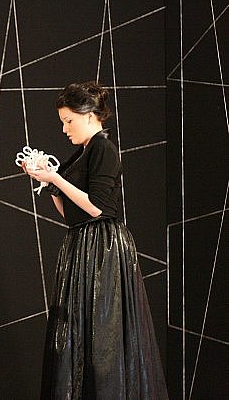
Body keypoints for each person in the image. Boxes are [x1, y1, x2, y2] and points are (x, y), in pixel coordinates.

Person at [23, 81, 168, 399]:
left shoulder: (103, 148)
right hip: (82, 245)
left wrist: (55, 178)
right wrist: (48, 183)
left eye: (68, 121)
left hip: (103, 249)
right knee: (79, 334)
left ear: (89, 115)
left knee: (103, 336)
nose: (64, 129)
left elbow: (97, 207)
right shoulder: (84, 152)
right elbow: (70, 214)